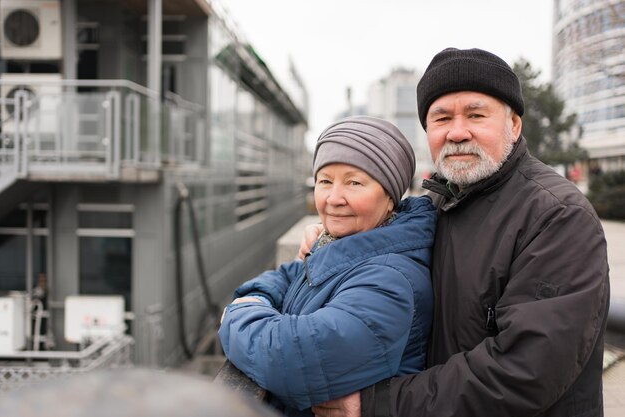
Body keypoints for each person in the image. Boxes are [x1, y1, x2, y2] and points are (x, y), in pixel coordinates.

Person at [310, 48, 610, 417]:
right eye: (441, 118)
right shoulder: (439, 202)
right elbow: (380, 247)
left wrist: (380, 403)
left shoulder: (557, 217)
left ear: (514, 125)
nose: (456, 132)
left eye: (476, 115)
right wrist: (329, 242)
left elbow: (525, 371)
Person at [218, 116, 437, 416]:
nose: (334, 199)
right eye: (324, 181)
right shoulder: (347, 244)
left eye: (354, 182)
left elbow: (291, 359)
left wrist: (237, 313)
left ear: (390, 196)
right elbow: (291, 274)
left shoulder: (390, 280)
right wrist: (258, 296)